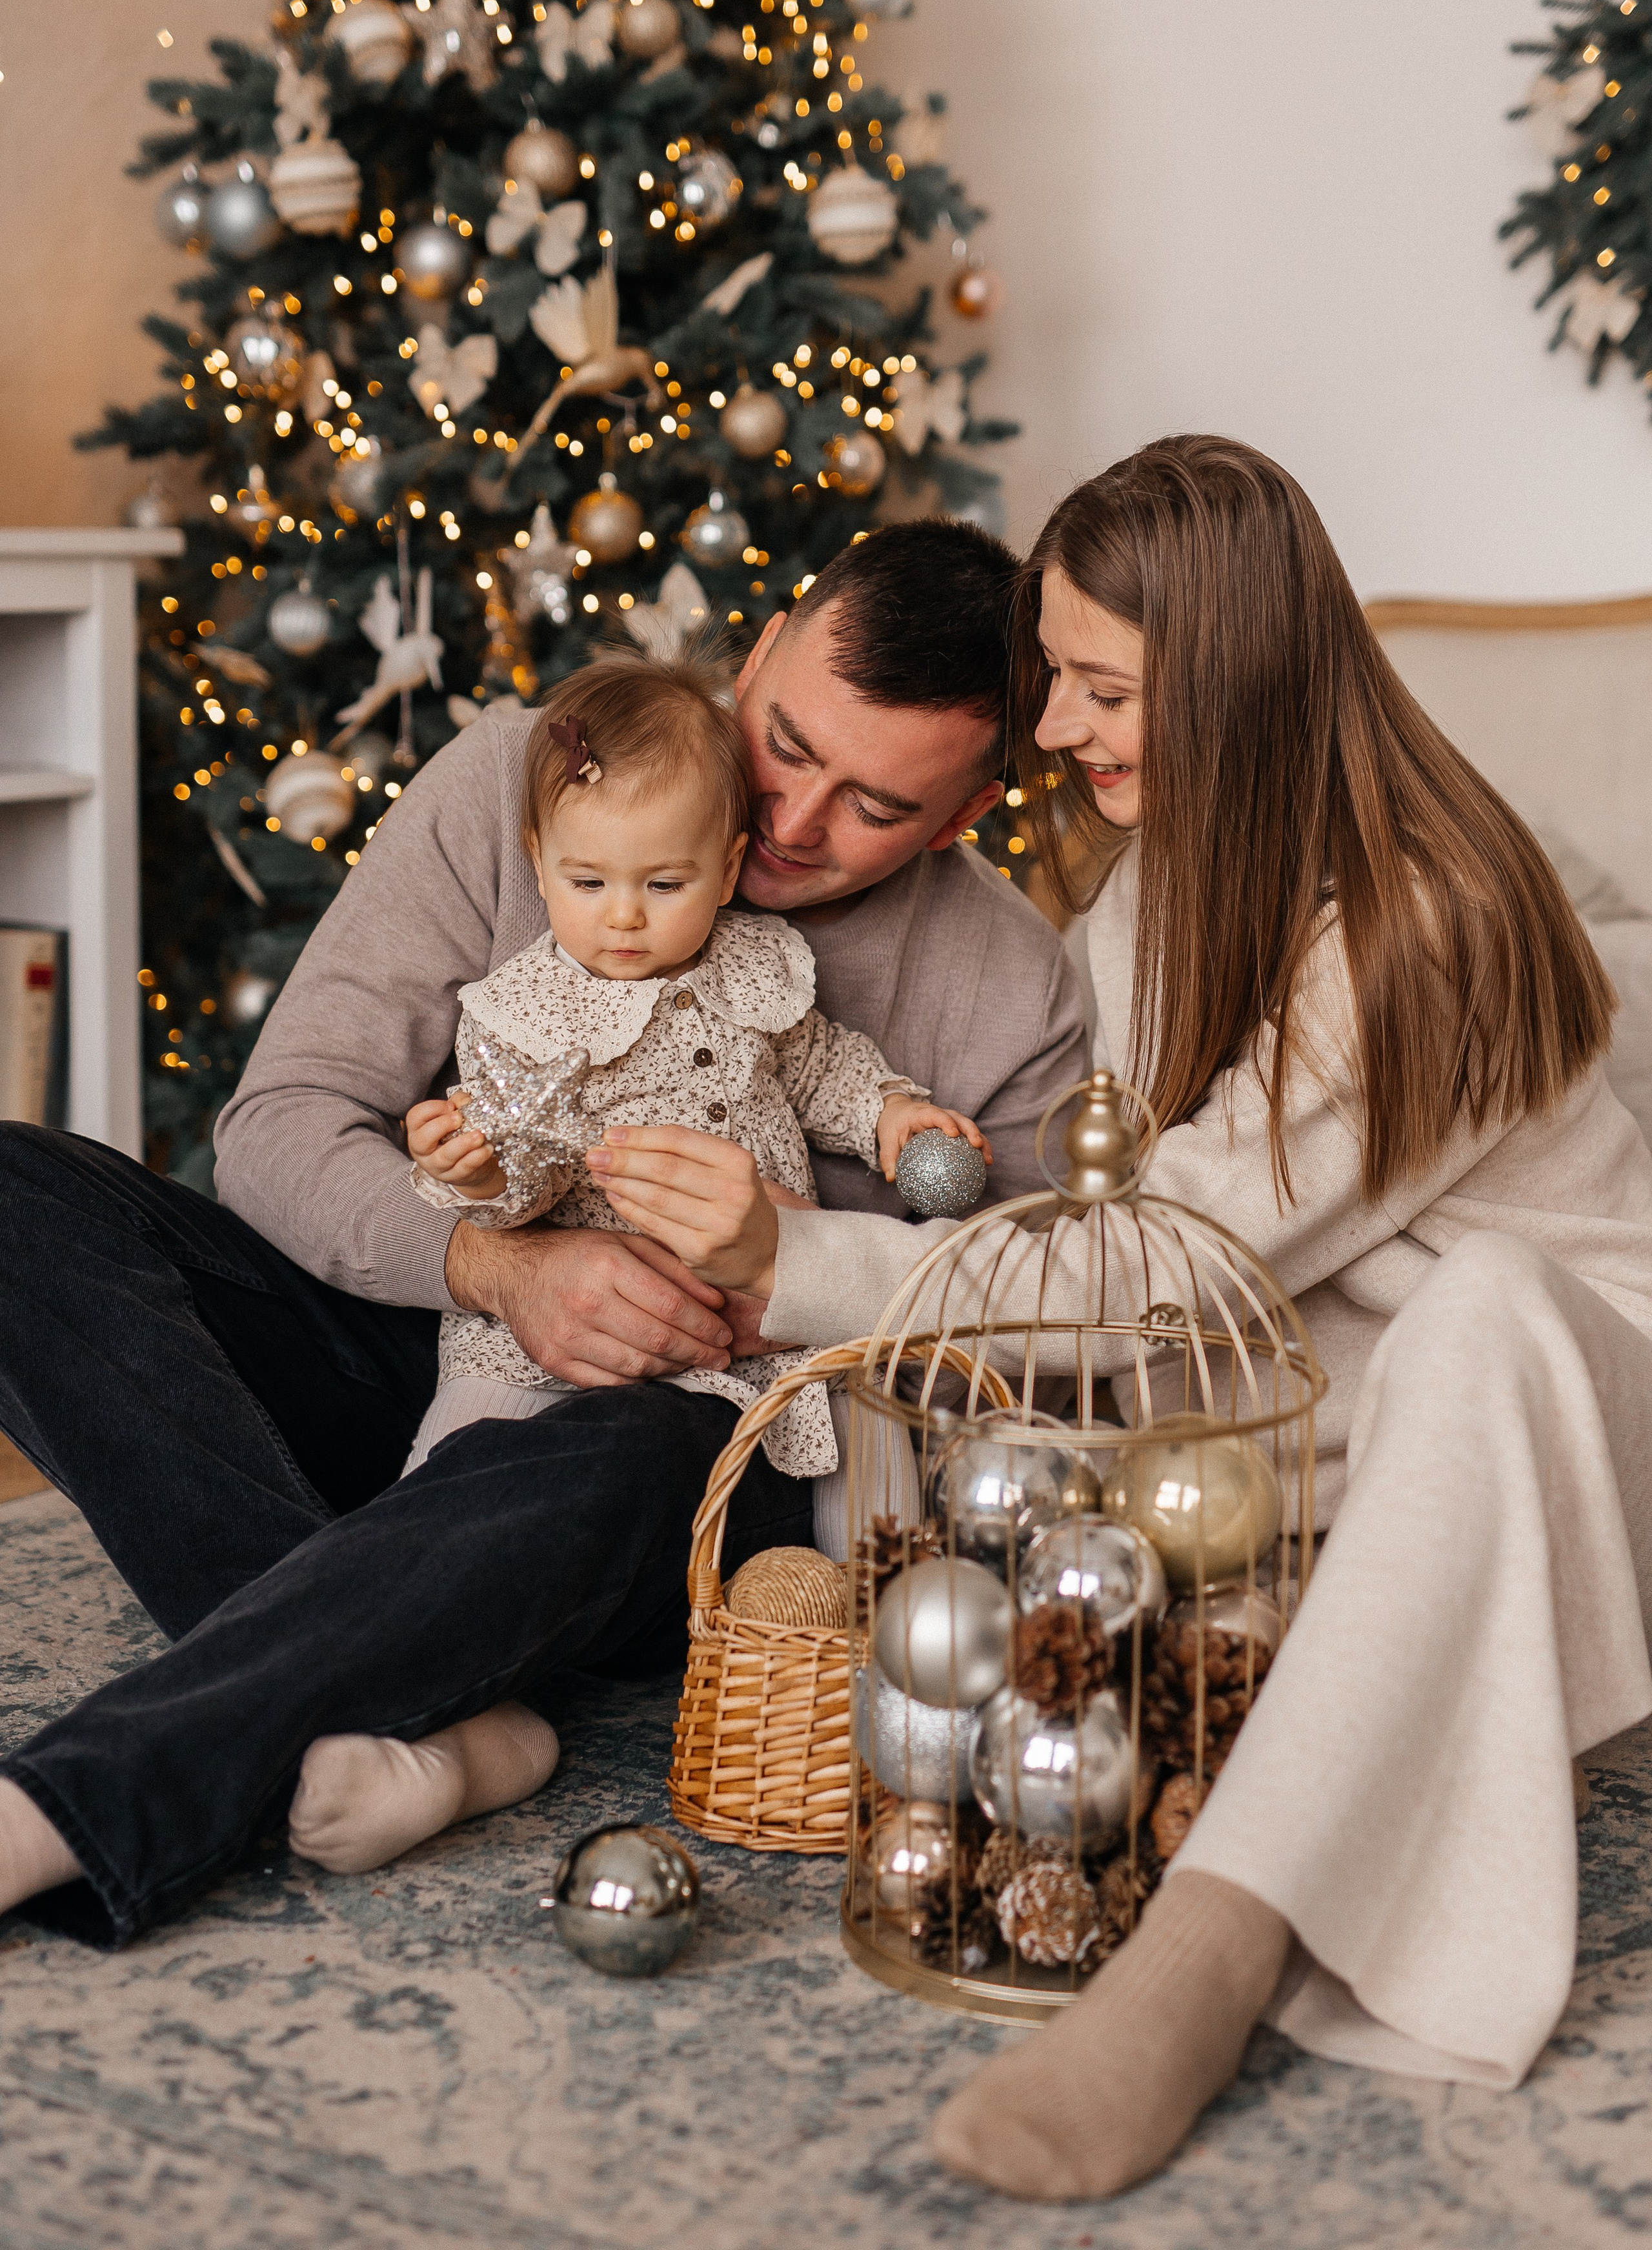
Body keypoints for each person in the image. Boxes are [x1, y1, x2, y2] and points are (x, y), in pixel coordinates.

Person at [577, 437, 1652, 2201]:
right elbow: (1110, 1234)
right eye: (1055, 676)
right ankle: (1342, 1722)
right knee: (1038, 1561)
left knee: (1483, 1307)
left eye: (1099, 686)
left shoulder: (1427, 928)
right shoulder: (1159, 880)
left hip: (1572, 1416)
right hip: (1320, 1404)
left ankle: (1205, 1965)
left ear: (1231, 678)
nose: (1055, 725)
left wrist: (797, 1260)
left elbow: (1164, 1261)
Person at [0, 518, 1085, 1936]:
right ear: (759, 652)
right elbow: (277, 1130)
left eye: (875, 806)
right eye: (784, 744)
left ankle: (70, 1808)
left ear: (961, 815)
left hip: (701, 1448)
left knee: (628, 1440)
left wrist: (788, 1278)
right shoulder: (526, 777)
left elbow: (1030, 1337)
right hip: (446, 1362)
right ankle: (450, 1690)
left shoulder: (1011, 986)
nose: (791, 821)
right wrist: (496, 1264)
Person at [401, 646, 988, 1478]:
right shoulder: (518, 1012)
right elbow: (524, 1181)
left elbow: (819, 1068)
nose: (624, 917)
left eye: (665, 885)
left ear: (725, 869)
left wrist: (887, 1112)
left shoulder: (752, 970)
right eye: (588, 883)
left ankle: (876, 1556)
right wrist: (482, 1175)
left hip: (765, 1318)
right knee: (460, 1456)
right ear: (539, 861)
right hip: (564, 1335)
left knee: (867, 1435)